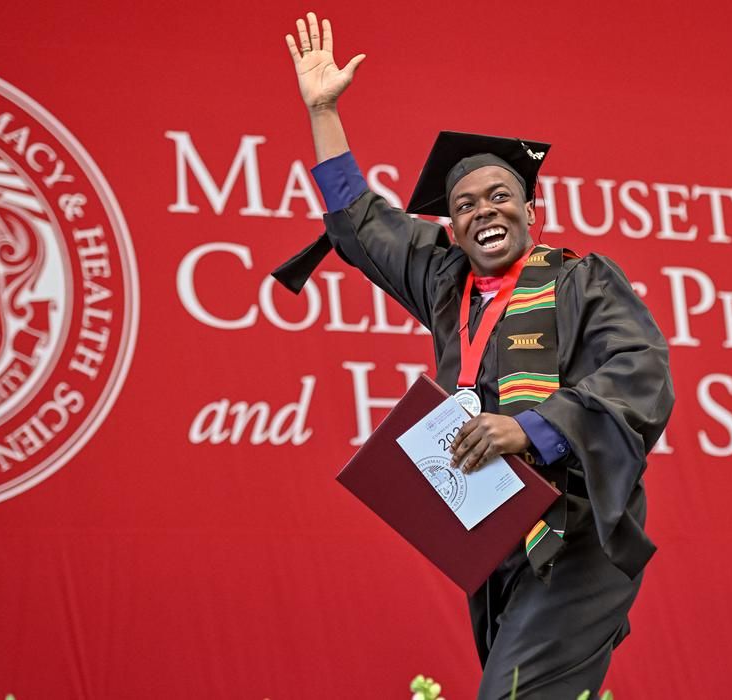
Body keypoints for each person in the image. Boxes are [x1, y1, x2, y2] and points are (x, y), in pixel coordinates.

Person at [276, 14, 675, 699]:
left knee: (511, 694)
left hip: (575, 533)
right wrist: (324, 111)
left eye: (499, 197)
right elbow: (360, 223)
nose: (484, 212)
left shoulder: (584, 281)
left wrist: (530, 427)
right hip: (494, 533)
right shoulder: (445, 283)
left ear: (530, 211)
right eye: (464, 206)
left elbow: (641, 374)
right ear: (452, 228)